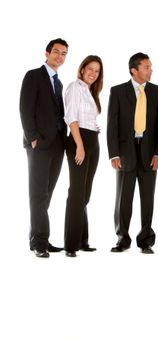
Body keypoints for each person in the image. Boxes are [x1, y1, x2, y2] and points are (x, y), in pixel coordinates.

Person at [107, 52, 158, 254]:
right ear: (134, 70)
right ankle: (122, 238)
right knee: (123, 198)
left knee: (148, 198)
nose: (151, 70)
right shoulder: (118, 91)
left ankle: (146, 240)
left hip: (150, 153)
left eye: (151, 66)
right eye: (147, 67)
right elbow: (112, 125)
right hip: (125, 152)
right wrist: (114, 154)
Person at [19, 38, 69, 258]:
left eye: (64, 53)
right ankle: (41, 242)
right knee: (38, 194)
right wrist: (33, 138)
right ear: (47, 53)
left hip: (57, 144)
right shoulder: (34, 76)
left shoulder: (59, 82)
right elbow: (25, 108)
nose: (59, 56)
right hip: (39, 144)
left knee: (46, 194)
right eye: (56, 52)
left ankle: (37, 238)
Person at [63, 55, 103, 257]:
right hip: (79, 141)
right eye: (90, 69)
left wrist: (94, 130)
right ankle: (71, 245)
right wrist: (79, 145)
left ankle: (82, 240)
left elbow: (88, 118)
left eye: (97, 71)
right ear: (82, 69)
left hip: (92, 140)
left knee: (85, 193)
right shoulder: (74, 87)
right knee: (77, 192)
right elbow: (71, 118)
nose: (93, 74)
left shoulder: (90, 91)